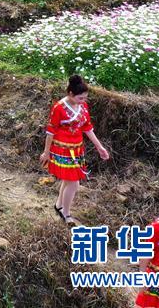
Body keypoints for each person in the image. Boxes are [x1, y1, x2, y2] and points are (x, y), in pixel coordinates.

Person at [39, 75, 111, 225]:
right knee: (73, 182)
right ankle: (66, 213)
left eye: (85, 98)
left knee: (69, 179)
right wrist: (46, 152)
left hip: (77, 148)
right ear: (70, 94)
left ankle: (59, 206)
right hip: (62, 148)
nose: (83, 101)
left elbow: (87, 128)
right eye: (80, 98)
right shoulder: (59, 107)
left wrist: (99, 147)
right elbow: (50, 131)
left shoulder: (83, 107)